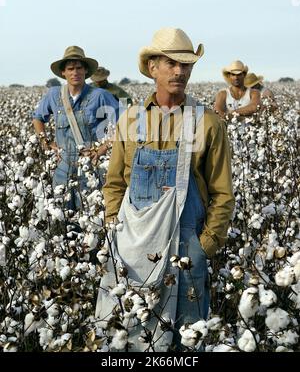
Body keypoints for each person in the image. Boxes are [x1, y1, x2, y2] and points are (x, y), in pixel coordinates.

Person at [99, 28, 235, 351]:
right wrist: (114, 232)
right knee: (133, 336)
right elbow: (116, 183)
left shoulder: (208, 123)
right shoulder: (130, 120)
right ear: (152, 68)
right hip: (133, 249)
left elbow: (223, 194)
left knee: (187, 340)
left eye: (186, 64)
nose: (180, 71)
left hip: (187, 248)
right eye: (171, 63)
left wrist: (204, 245)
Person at [32, 45, 119, 208]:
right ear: (63, 72)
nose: (75, 72)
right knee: (61, 215)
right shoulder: (54, 94)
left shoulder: (100, 96)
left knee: (89, 216)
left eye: (79, 68)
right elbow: (37, 117)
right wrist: (46, 142)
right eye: (70, 68)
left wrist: (103, 148)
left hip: (90, 169)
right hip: (61, 168)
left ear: (86, 71)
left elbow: (125, 124)